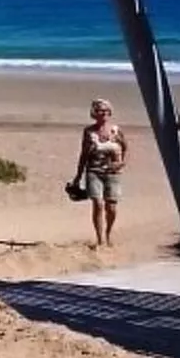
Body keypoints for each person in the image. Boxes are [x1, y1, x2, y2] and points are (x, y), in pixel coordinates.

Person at [76, 98, 127, 248]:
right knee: (97, 203)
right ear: (94, 113)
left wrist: (122, 162)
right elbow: (84, 154)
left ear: (109, 112)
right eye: (99, 111)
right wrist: (78, 175)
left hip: (112, 173)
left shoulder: (116, 130)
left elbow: (125, 148)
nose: (102, 113)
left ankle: (108, 233)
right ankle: (100, 240)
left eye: (105, 110)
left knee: (111, 206)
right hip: (94, 171)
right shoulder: (89, 132)